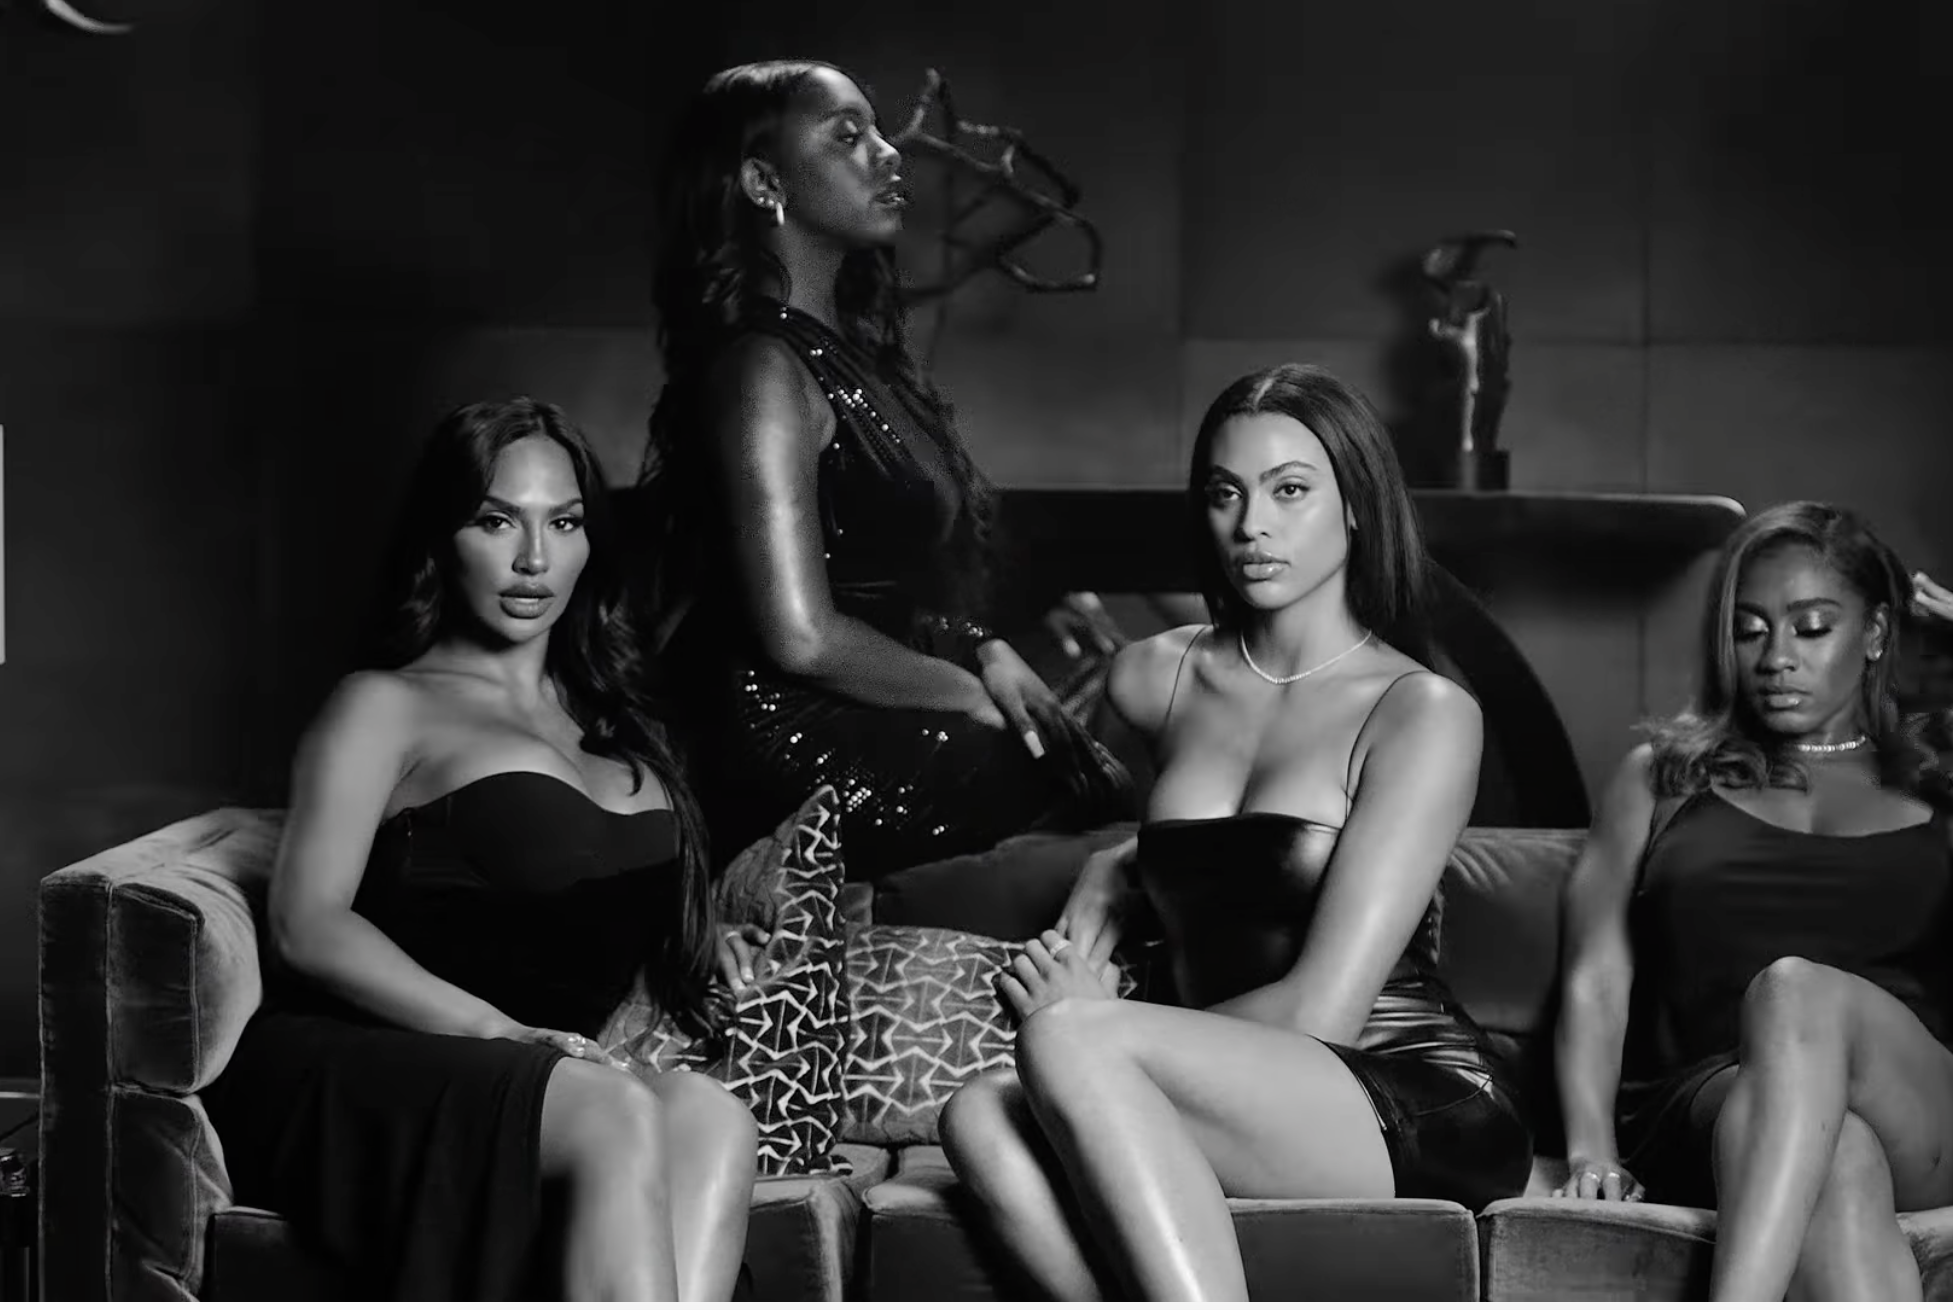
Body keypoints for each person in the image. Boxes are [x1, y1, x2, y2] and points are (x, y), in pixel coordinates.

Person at [937, 364, 1533, 1300]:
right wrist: (1115, 860)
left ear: (1356, 509)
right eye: (1225, 493)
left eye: (1290, 490)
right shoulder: (1157, 678)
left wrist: (1097, 1020)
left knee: (1062, 1044)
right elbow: (1220, 850)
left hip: (1400, 1092)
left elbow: (1321, 1014)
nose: (1250, 525)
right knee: (978, 1114)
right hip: (1231, 1080)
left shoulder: (1419, 711)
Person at [202, 399, 766, 1300]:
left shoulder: (617, 719)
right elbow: (306, 924)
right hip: (373, 1060)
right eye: (497, 519)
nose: (534, 559)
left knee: (709, 1117)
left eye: (565, 523)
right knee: (613, 1106)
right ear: (444, 535)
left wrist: (699, 949)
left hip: (544, 1071)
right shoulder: (382, 703)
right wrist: (497, 1032)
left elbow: (592, 916)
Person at [1550, 500, 1953, 1300]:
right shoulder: (1663, 780)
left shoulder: (1939, 781)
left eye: (1811, 627)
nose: (1775, 657)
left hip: (1918, 1109)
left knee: (1797, 991)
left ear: (1874, 635)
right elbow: (1595, 978)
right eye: (1751, 629)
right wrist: (1589, 1150)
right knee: (1839, 1157)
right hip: (1712, 1099)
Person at [639, 59, 1130, 879]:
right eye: (848, 136)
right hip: (781, 732)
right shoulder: (760, 367)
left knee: (1111, 770)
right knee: (1090, 796)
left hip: (875, 695)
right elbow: (800, 638)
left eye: (877, 130)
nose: (889, 153)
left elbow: (881, 592)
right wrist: (971, 696)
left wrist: (986, 651)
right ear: (764, 182)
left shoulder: (853, 358)